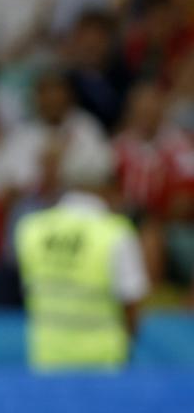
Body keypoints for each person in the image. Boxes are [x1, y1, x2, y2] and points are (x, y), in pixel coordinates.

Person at [16, 159, 149, 371]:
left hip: (48, 358)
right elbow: (132, 303)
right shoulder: (116, 233)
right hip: (104, 361)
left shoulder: (31, 229)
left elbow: (28, 289)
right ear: (106, 188)